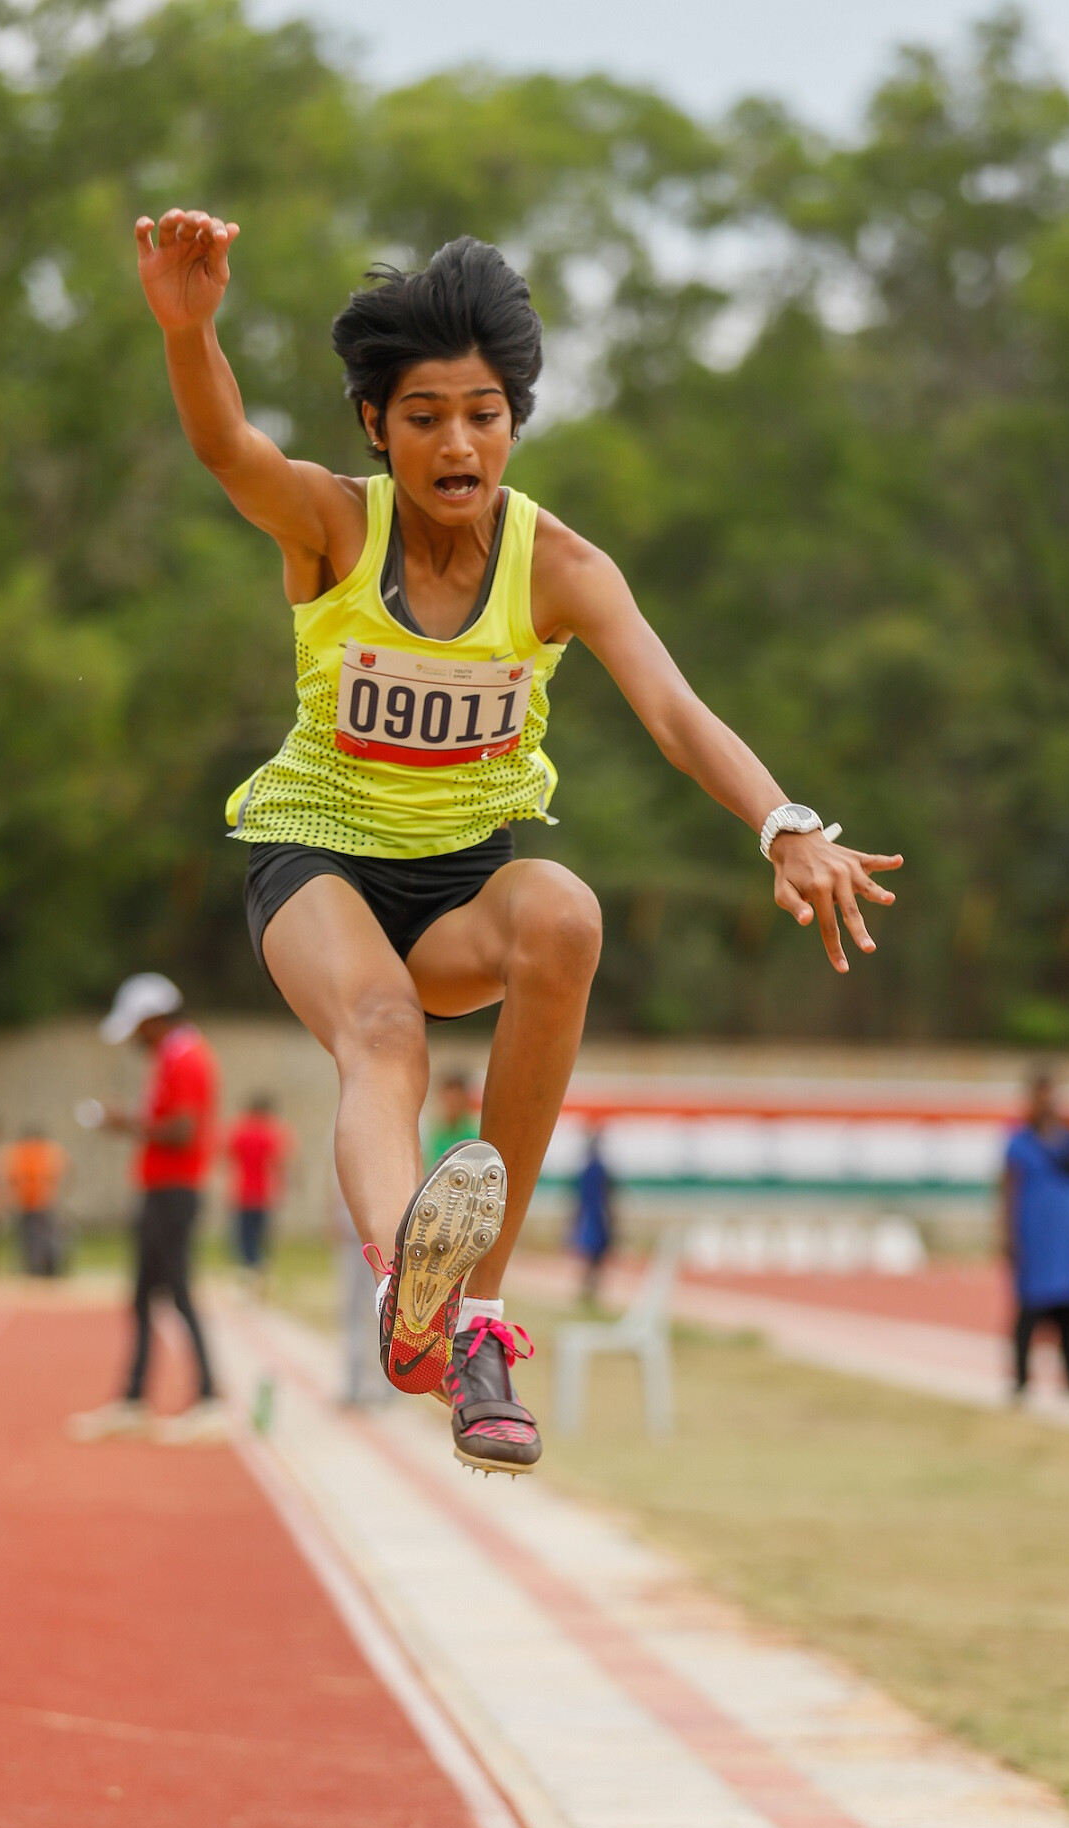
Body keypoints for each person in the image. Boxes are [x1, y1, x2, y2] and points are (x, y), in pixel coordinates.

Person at [136, 212, 901, 1476]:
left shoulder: (560, 566)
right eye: (426, 413)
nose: (457, 441)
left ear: (514, 423)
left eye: (484, 413)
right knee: (380, 1032)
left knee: (565, 912)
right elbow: (225, 444)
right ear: (378, 425)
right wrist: (190, 329)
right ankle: (409, 1292)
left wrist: (786, 824)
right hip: (317, 858)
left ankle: (473, 1307)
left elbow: (675, 709)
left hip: (456, 889)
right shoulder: (333, 525)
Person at [70, 973, 224, 1440]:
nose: (135, 1039)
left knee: (177, 1292)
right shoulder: (172, 1056)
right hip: (162, 1189)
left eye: (137, 1028)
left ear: (154, 1020)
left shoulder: (187, 1059)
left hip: (174, 1190)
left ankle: (210, 1399)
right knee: (143, 1297)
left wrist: (127, 1124)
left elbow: (182, 1130)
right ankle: (135, 1398)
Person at [1003, 1067, 1069, 1398]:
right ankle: (1021, 1378)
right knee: (1029, 1309)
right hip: (1036, 1238)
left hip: (1068, 1238)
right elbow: (1007, 1189)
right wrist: (1007, 1236)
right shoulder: (1019, 1142)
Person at [224, 1095, 294, 1277]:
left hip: (243, 1192)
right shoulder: (272, 1134)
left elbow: (228, 1156)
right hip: (264, 1193)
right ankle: (259, 1269)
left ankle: (249, 1269)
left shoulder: (240, 1131)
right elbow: (279, 1163)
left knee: (244, 1236)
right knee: (261, 1235)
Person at [3, 1127, 69, 1277]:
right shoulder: (28, 1152)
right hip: (29, 1201)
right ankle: (36, 1266)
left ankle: (47, 1266)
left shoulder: (42, 1152)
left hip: (41, 1201)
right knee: (32, 1236)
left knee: (43, 1235)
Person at [572, 1127, 615, 1304]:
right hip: (594, 1218)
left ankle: (591, 1291)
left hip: (597, 1217)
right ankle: (588, 1291)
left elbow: (609, 1196)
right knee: (591, 1255)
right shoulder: (591, 1170)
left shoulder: (596, 1170)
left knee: (595, 1256)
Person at [423, 1071, 479, 1169]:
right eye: (449, 1099)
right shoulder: (436, 1135)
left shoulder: (474, 1135)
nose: (452, 1104)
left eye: (456, 1099)